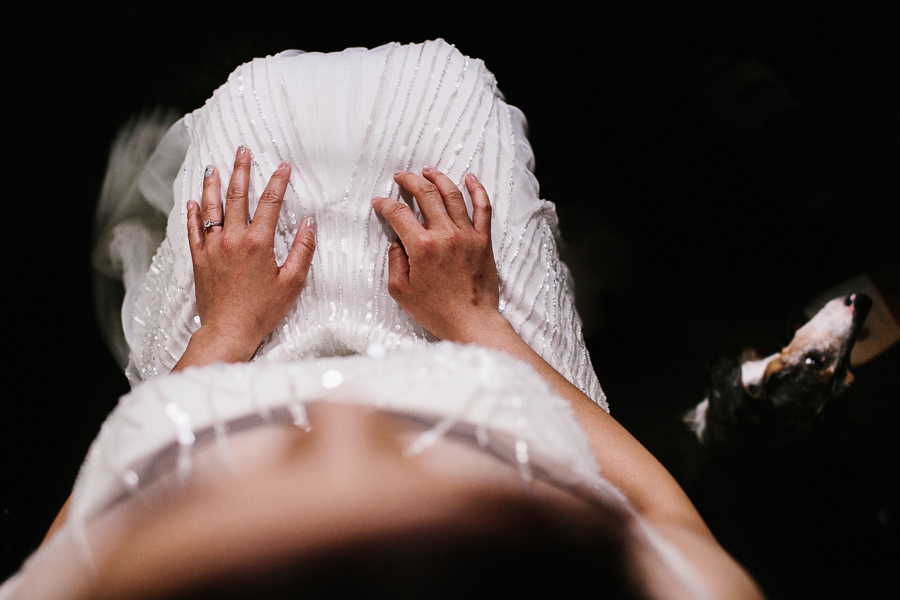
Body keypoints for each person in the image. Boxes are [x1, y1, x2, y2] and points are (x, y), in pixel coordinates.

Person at [1, 40, 762, 599]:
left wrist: (224, 331)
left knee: (260, 91)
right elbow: (669, 522)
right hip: (476, 369)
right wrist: (475, 321)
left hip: (235, 367)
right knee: (442, 81)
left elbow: (70, 556)